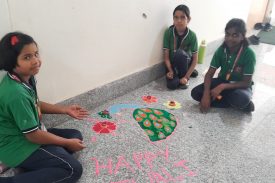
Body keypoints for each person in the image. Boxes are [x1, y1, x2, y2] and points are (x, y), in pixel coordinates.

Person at [0, 32, 89, 183]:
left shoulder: (26, 78)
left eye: (36, 54)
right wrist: (66, 143)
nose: (36, 61)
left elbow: (35, 103)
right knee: (73, 169)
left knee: (75, 134)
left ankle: (36, 167)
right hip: (18, 145)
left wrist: (65, 109)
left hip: (30, 135)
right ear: (11, 62)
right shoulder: (15, 93)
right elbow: (32, 135)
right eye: (27, 57)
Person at [191, 18, 256, 113]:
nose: (230, 38)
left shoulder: (249, 54)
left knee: (241, 99)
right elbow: (209, 74)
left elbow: (246, 82)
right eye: (227, 34)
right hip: (222, 80)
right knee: (196, 93)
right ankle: (234, 104)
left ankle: (236, 102)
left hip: (239, 86)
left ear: (242, 37)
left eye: (235, 35)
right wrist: (205, 95)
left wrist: (222, 87)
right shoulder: (221, 50)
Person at [163, 4, 198, 90]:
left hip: (185, 61)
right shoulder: (168, 32)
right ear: (173, 19)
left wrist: (186, 77)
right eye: (176, 17)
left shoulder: (192, 35)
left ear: (188, 19)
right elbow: (166, 57)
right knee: (172, 85)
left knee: (180, 53)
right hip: (172, 65)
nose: (179, 20)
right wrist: (170, 71)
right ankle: (183, 73)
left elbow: (195, 59)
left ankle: (185, 74)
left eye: (182, 17)